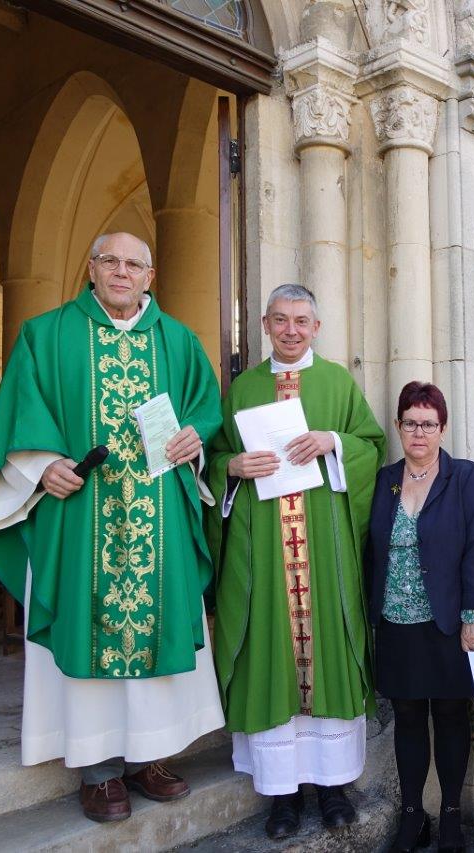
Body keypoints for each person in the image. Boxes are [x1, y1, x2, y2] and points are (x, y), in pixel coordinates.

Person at [0, 232, 224, 823]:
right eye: (109, 261)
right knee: (86, 625)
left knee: (155, 622)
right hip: (78, 517)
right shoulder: (46, 334)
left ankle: (151, 757)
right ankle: (98, 770)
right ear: (90, 270)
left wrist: (194, 441)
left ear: (150, 275)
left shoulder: (179, 342)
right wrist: (41, 467)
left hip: (156, 520)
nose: (121, 271)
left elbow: (204, 413)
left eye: (133, 263)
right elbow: (16, 417)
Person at [207, 284, 385, 839]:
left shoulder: (337, 382)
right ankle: (282, 798)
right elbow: (214, 459)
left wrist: (333, 441)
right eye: (280, 320)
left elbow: (372, 448)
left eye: (301, 320)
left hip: (324, 553)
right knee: (273, 655)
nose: (290, 330)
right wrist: (232, 467)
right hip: (263, 551)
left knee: (325, 654)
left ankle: (332, 788)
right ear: (264, 324)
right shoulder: (243, 389)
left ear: (316, 326)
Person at [363, 381, 474, 853]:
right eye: (410, 423)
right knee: (407, 717)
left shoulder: (464, 477)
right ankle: (412, 814)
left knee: (449, 714)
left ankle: (453, 816)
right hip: (396, 621)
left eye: (428, 423)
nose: (418, 432)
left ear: (442, 428)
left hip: (448, 624)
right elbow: (369, 548)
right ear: (398, 426)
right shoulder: (386, 480)